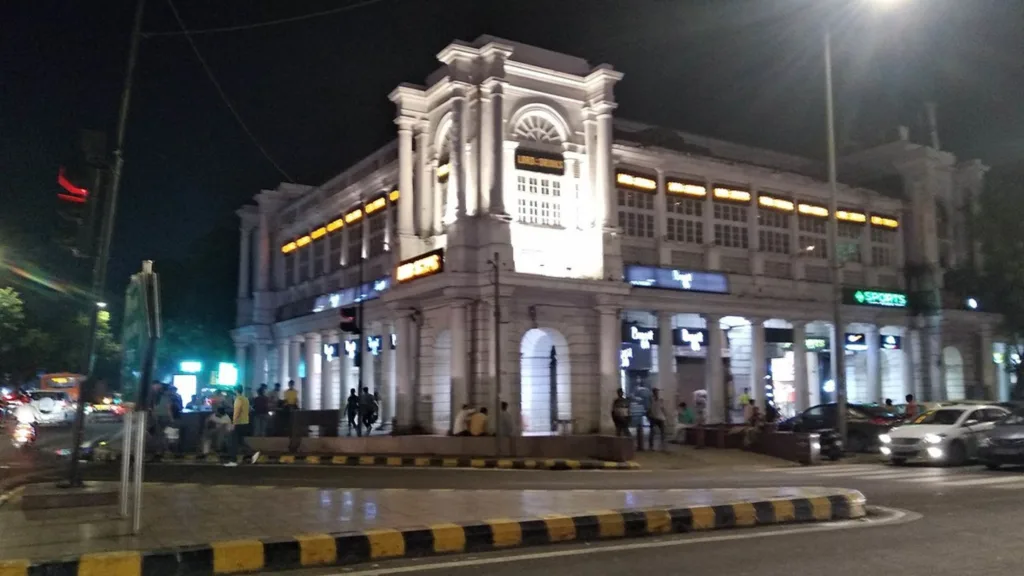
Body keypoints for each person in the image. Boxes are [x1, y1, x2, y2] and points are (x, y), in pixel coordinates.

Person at [227, 386, 258, 466]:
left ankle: (233, 460)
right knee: (240, 441)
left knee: (233, 441)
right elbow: (251, 409)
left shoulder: (238, 399)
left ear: (236, 390)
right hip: (245, 422)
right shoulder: (245, 399)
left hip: (239, 423)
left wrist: (233, 424)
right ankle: (253, 453)